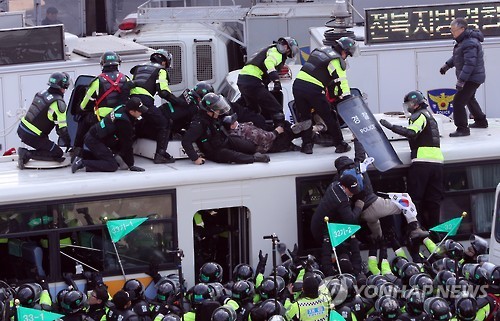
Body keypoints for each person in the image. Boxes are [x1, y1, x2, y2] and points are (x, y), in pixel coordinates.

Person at [380, 91, 444, 230]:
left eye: (410, 104)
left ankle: (415, 231)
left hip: (422, 162)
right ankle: (435, 232)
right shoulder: (430, 116)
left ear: (417, 103)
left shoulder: (419, 115)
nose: (409, 107)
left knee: (414, 200)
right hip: (438, 163)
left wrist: (391, 127)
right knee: (434, 201)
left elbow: (411, 133)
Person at [292, 37, 356, 154]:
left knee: (305, 118)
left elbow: (319, 71)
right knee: (330, 116)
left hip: (298, 86)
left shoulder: (320, 50)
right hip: (313, 89)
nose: (346, 57)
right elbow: (341, 80)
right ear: (344, 51)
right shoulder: (336, 60)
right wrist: (347, 97)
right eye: (347, 55)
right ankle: (340, 144)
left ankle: (307, 145)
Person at [181, 93, 271, 165]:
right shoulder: (198, 124)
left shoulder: (213, 117)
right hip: (214, 150)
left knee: (249, 146)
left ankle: (254, 152)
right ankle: (254, 159)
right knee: (232, 155)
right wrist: (195, 158)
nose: (219, 110)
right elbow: (186, 141)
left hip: (223, 140)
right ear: (209, 110)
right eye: (216, 108)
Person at [73, 51, 133, 154]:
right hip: (121, 117)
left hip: (102, 118)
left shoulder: (97, 81)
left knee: (83, 119)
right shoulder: (126, 79)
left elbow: (84, 105)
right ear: (118, 63)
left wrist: (81, 109)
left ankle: (77, 148)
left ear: (102, 64)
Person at [71, 97, 147, 173]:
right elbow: (127, 144)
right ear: (132, 112)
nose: (141, 113)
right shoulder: (124, 122)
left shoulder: (122, 107)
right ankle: (81, 163)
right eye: (139, 111)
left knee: (107, 157)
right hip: (94, 140)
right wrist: (131, 165)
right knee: (112, 165)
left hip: (93, 135)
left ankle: (82, 153)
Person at [440, 18, 487, 136]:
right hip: (473, 77)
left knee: (458, 101)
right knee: (469, 98)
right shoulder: (463, 41)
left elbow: (470, 64)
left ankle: (462, 129)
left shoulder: (469, 42)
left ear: (462, 29)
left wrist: (461, 80)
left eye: (454, 30)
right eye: (451, 30)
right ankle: (481, 121)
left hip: (472, 78)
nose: (452, 33)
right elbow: (458, 57)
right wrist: (447, 65)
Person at [310, 174, 364, 276]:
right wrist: (358, 207)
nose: (353, 194)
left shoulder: (334, 185)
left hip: (318, 222)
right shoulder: (341, 201)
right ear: (344, 187)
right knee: (342, 251)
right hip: (322, 230)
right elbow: (351, 220)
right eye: (351, 191)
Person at [237, 37, 299, 126]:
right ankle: (280, 132)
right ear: (288, 49)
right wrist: (276, 80)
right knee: (276, 109)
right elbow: (268, 63)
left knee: (253, 110)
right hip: (252, 80)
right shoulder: (277, 53)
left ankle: (250, 129)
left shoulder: (269, 49)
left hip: (243, 80)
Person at [130, 49, 177, 164]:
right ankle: (160, 155)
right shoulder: (161, 70)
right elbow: (163, 91)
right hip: (145, 101)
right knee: (164, 123)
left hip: (131, 100)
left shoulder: (139, 68)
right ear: (165, 62)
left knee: (139, 122)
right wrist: (178, 101)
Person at [17, 72, 71, 169]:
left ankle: (27, 153)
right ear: (63, 87)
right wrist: (70, 143)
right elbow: (62, 130)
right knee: (57, 152)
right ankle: (26, 154)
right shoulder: (58, 103)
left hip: (22, 129)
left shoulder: (41, 93)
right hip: (33, 136)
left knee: (47, 145)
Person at [222, 113, 299, 154]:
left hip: (262, 137)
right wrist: (277, 131)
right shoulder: (246, 131)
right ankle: (298, 132)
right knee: (287, 134)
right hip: (269, 144)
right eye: (234, 121)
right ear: (232, 126)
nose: (236, 121)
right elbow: (265, 137)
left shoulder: (232, 134)